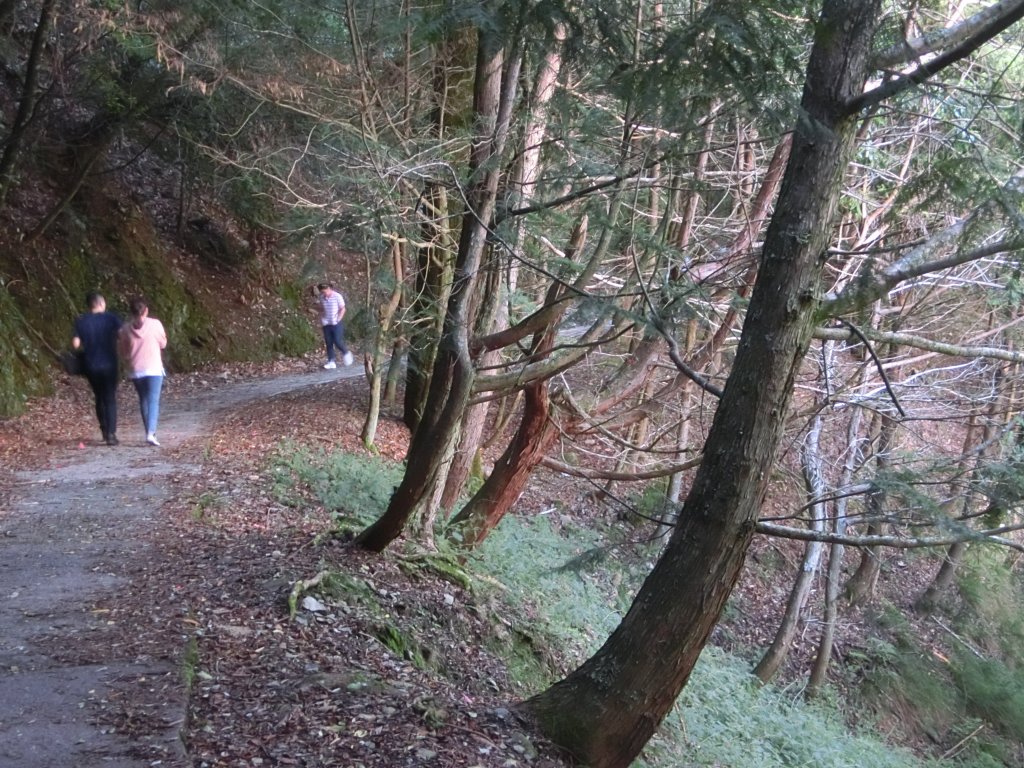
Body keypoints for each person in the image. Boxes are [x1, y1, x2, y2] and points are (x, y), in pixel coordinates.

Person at [72, 292, 122, 446]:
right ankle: (111, 434)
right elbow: (122, 335)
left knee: (99, 397)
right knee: (110, 398)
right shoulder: (111, 318)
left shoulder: (81, 321)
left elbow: (75, 344)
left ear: (89, 305)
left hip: (90, 364)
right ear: (101, 303)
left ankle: (104, 430)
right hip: (109, 363)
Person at [118, 296, 167, 446]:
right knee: (153, 401)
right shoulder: (155, 324)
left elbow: (124, 352)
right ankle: (151, 433)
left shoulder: (125, 329)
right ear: (146, 311)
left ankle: (149, 432)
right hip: (153, 368)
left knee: (144, 400)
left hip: (136, 370)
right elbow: (163, 343)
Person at [316, 281, 353, 369]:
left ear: (329, 289)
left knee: (337, 341)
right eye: (322, 292)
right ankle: (331, 361)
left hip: (336, 323)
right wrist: (321, 317)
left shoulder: (337, 296)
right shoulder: (322, 297)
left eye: (325, 291)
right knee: (329, 343)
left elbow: (343, 308)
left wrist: (338, 318)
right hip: (326, 323)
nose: (324, 293)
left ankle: (346, 353)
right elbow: (322, 308)